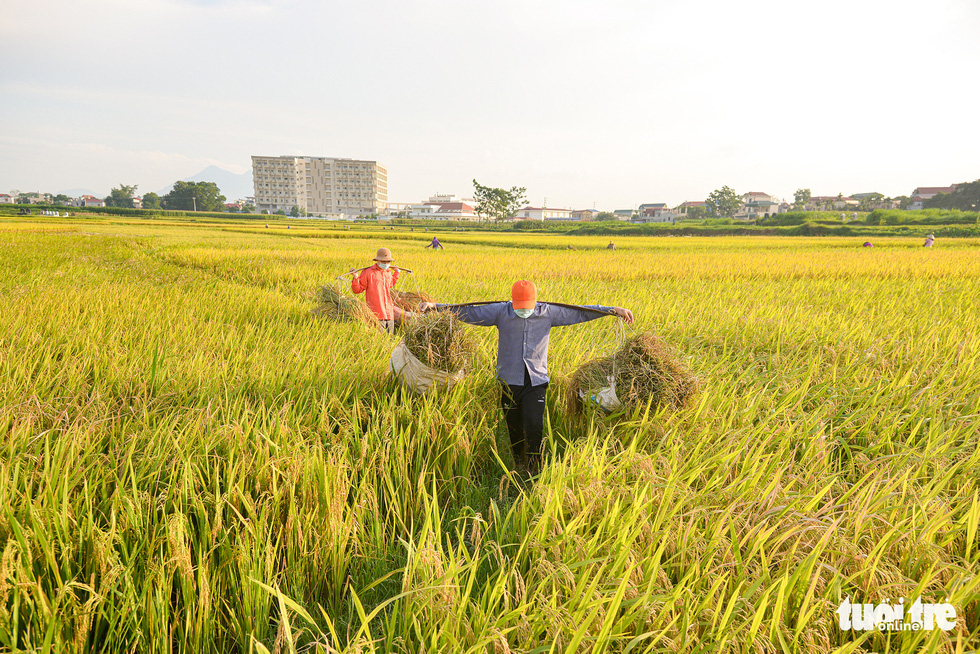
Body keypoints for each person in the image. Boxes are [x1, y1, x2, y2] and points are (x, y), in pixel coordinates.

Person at [420, 281, 634, 476]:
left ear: (535, 302)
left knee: (534, 426)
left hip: (536, 381)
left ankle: (535, 468)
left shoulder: (548, 313)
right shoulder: (500, 312)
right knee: (513, 426)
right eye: (519, 306)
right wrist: (436, 306)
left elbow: (579, 312)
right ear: (512, 301)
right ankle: (518, 464)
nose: (523, 310)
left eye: (527, 307)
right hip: (508, 380)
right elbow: (470, 311)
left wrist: (612, 310)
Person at [351, 247, 404, 333]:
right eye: (383, 261)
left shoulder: (388, 272)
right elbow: (357, 290)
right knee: (378, 341)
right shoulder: (368, 272)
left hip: (389, 315)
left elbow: (390, 284)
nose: (386, 263)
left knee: (390, 341)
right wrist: (356, 277)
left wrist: (397, 272)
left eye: (388, 262)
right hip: (376, 314)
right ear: (378, 261)